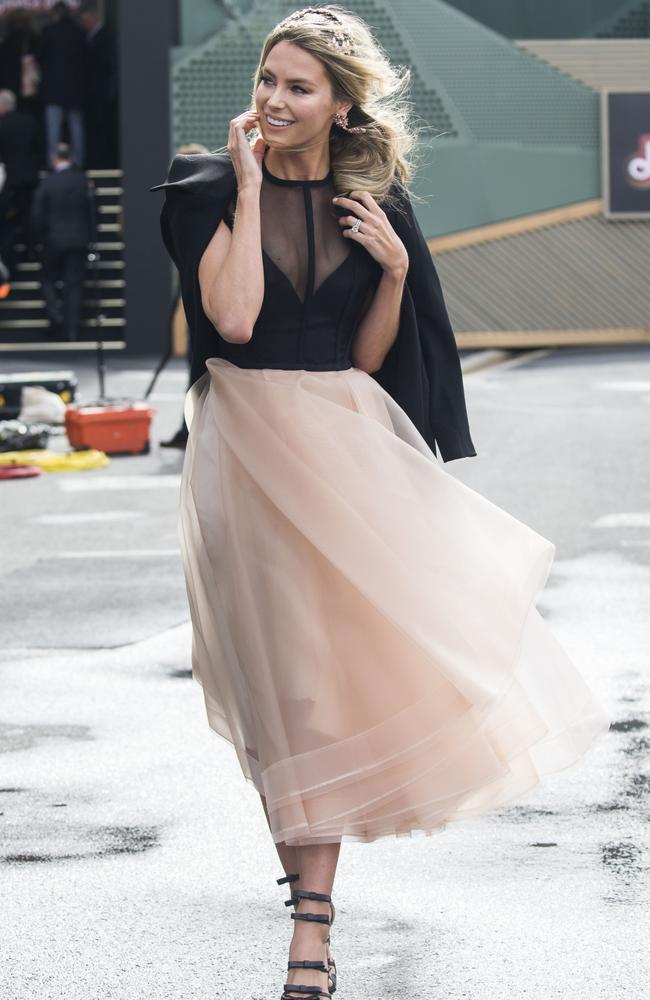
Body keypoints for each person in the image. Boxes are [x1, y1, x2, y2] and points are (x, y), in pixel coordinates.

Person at [152, 8, 611, 998]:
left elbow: (363, 357)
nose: (273, 100)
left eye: (298, 87)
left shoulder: (376, 202)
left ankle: (307, 934)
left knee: (328, 684)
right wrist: (240, 185)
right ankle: (307, 918)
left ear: (340, 103)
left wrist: (395, 272)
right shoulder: (200, 189)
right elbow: (231, 319)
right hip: (245, 452)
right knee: (287, 697)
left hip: (345, 450)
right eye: (267, 79)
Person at [32, 141, 96, 340]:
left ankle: (55, 315)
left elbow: (37, 214)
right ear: (72, 158)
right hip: (78, 240)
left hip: (53, 240)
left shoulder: (47, 182)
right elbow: (93, 212)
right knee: (74, 285)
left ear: (54, 158)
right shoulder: (83, 180)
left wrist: (37, 240)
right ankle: (72, 330)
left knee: (47, 278)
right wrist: (92, 237)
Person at [39, 1, 87, 167]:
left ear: (55, 15)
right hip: (76, 89)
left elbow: (39, 57)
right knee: (76, 129)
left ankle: (54, 163)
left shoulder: (48, 32)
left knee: (54, 130)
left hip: (53, 90)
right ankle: (79, 162)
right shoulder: (79, 33)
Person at [0, 89, 41, 277]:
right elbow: (36, 148)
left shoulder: (2, 124)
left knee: (8, 221)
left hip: (9, 180)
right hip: (28, 177)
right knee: (28, 216)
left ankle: (11, 259)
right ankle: (31, 251)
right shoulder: (29, 122)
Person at [79, 1, 118, 169]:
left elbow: (104, 63)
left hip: (102, 91)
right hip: (95, 92)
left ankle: (103, 161)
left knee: (102, 127)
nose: (83, 24)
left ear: (94, 18)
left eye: (85, 20)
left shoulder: (105, 35)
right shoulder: (94, 36)